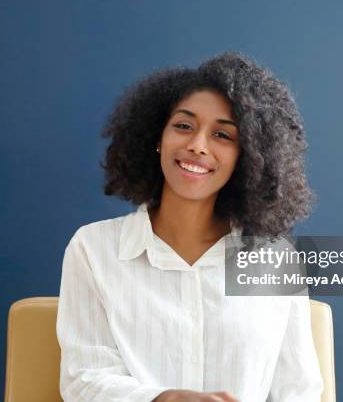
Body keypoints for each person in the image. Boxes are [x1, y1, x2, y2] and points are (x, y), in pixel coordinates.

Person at [56, 52, 323, 401]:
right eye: (184, 126)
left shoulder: (277, 262)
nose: (198, 146)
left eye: (223, 136)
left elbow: (298, 392)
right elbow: (83, 381)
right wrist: (164, 399)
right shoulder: (93, 249)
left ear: (249, 157)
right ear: (157, 137)